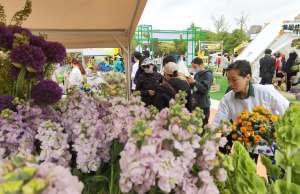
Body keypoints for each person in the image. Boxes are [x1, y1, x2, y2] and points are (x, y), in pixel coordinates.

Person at [213, 60, 289, 129]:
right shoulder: (227, 99)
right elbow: (217, 123)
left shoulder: (265, 92)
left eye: (234, 80)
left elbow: (287, 110)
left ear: (248, 77)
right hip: (242, 141)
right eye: (228, 80)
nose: (230, 84)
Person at [188, 57, 213, 125]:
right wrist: (190, 83)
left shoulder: (208, 74)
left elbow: (205, 89)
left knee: (203, 127)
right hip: (195, 104)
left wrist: (195, 82)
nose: (193, 69)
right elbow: (195, 88)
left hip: (203, 105)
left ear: (201, 65)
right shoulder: (197, 74)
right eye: (192, 67)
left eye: (195, 67)